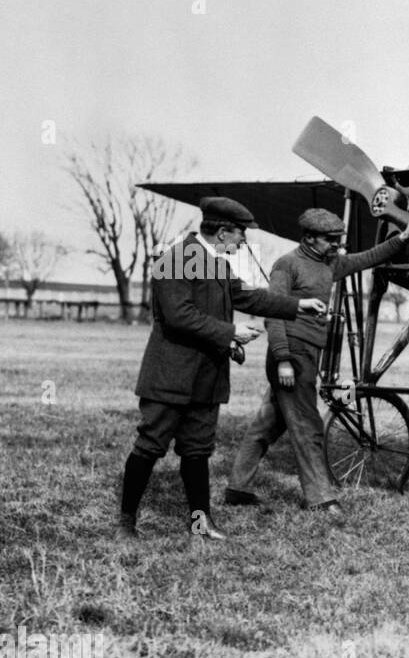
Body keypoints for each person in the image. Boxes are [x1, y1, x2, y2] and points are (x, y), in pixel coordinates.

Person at [118, 196, 326, 540]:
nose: (244, 241)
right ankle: (126, 522)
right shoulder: (177, 258)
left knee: (197, 451)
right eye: (240, 234)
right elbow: (178, 315)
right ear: (224, 231)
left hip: (206, 377)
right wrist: (231, 332)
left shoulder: (214, 262)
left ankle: (201, 524)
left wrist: (298, 305)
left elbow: (247, 296)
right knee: (150, 446)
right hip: (170, 375)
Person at [224, 208, 409, 519]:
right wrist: (283, 360)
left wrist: (406, 235)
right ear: (309, 238)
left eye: (338, 240)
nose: (336, 245)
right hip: (291, 354)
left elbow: (370, 257)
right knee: (308, 425)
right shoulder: (286, 265)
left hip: (308, 352)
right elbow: (274, 312)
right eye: (330, 240)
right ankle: (319, 497)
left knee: (268, 422)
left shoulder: (329, 263)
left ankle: (237, 488)